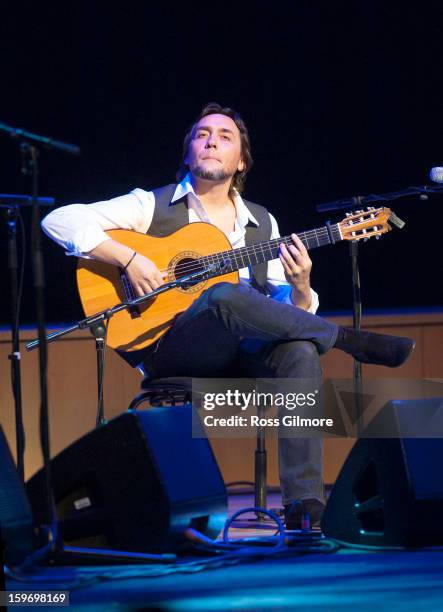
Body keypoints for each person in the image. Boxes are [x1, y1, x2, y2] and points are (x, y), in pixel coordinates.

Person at [42, 102, 414, 529]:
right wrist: (128, 258)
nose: (212, 141)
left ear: (241, 161)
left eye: (224, 136)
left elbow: (279, 312)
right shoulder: (150, 205)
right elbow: (60, 219)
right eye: (202, 134)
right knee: (223, 295)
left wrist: (300, 287)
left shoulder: (262, 222)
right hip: (169, 347)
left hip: (239, 351)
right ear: (188, 154)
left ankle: (303, 504)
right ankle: (350, 341)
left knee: (298, 352)